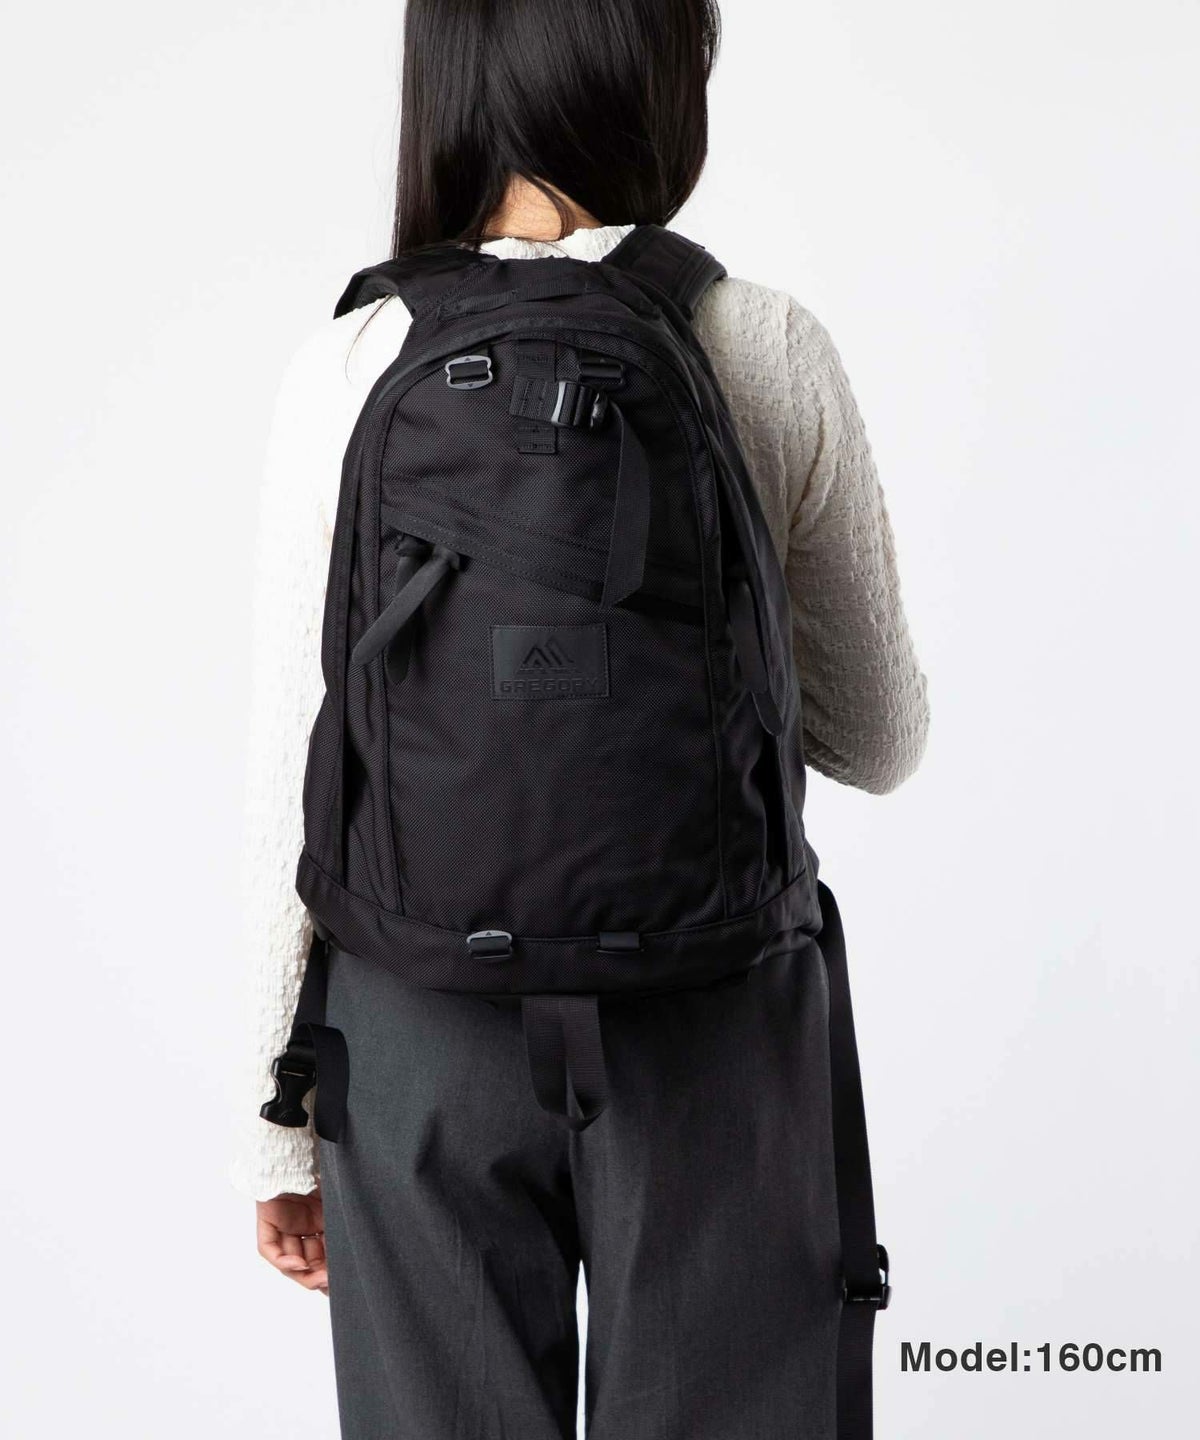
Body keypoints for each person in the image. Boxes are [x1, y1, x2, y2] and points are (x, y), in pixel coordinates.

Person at [230, 1, 929, 1435]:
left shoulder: (352, 362)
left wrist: (276, 1128)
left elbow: (290, 776)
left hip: (416, 1017)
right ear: (659, 76)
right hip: (710, 1006)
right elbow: (878, 737)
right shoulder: (761, 340)